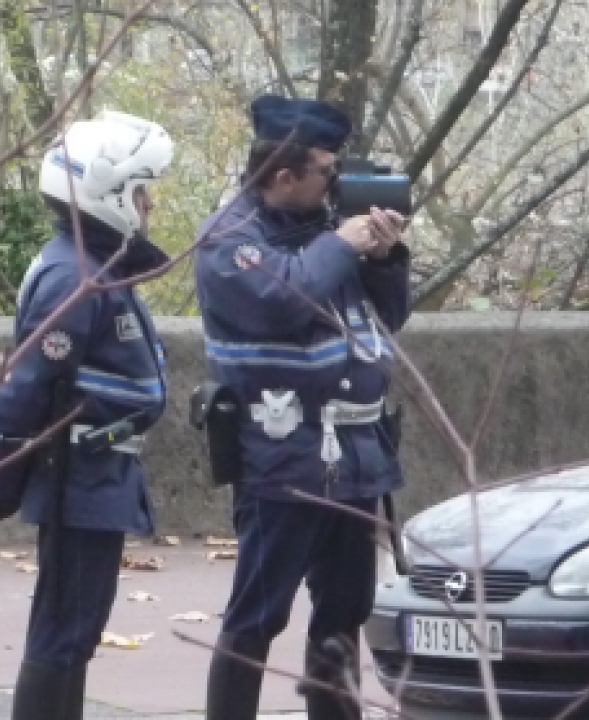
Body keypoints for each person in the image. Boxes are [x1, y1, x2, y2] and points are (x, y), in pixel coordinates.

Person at [194, 94, 411, 720]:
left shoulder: (325, 233)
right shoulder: (228, 239)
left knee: (345, 610)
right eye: (326, 171)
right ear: (283, 176)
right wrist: (343, 244)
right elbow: (280, 298)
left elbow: (386, 319)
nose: (336, 183)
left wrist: (384, 258)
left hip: (358, 454)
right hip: (281, 457)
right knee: (258, 613)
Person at [0, 109, 174, 720]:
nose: (148, 207)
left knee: (78, 628)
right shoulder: (73, 277)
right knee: (65, 627)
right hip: (78, 475)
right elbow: (28, 389)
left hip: (99, 473)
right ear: (108, 194)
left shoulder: (97, 266)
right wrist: (1, 473)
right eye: (141, 193)